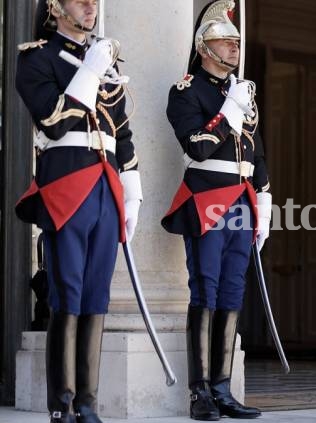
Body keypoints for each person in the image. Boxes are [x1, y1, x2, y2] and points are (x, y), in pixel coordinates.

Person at [15, 1, 142, 422]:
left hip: (106, 185)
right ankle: (62, 405)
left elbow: (122, 132)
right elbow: (53, 120)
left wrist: (133, 190)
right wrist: (89, 70)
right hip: (67, 184)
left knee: (96, 297)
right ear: (56, 7)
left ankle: (88, 403)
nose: (90, 6)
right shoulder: (37, 58)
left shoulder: (103, 59)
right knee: (66, 292)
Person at [162, 0, 271, 420]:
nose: (234, 49)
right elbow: (198, 147)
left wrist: (264, 198)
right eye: (225, 42)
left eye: (236, 43)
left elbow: (255, 151)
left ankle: (223, 389)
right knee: (204, 291)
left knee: (231, 294)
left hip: (242, 200)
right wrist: (228, 111)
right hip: (208, 197)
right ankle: (200, 392)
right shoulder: (187, 91)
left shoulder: (242, 91)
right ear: (204, 47)